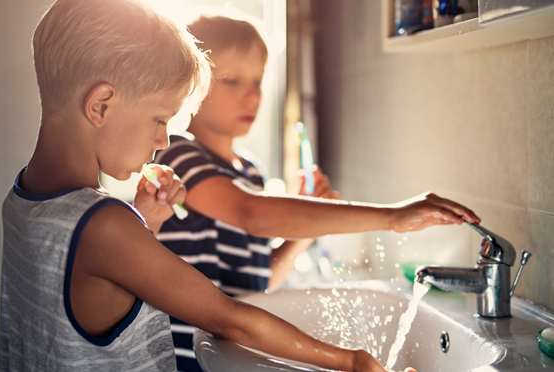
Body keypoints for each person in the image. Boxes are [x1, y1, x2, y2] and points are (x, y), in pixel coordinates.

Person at [0, 0, 425, 371]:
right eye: (160, 118)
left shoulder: (23, 197)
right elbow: (229, 319)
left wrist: (144, 224)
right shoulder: (104, 225)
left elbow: (91, 291)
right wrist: (349, 361)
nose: (163, 139)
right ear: (101, 105)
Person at [152, 12, 481, 372]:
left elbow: (261, 277)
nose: (252, 95)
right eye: (232, 80)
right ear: (194, 83)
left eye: (259, 81)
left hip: (231, 353)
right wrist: (391, 217)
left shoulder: (250, 172)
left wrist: (307, 222)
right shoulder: (178, 154)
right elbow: (251, 213)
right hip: (187, 358)